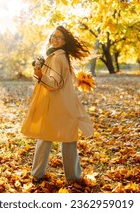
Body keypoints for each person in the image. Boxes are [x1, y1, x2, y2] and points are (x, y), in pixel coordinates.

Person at [21, 25, 94, 182]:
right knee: (66, 139)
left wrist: (40, 74)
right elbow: (66, 80)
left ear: (64, 42)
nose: (54, 39)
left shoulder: (57, 57)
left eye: (59, 37)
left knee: (46, 137)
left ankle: (38, 174)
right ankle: (73, 177)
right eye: (53, 36)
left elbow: (55, 83)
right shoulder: (60, 56)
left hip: (56, 104)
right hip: (64, 103)